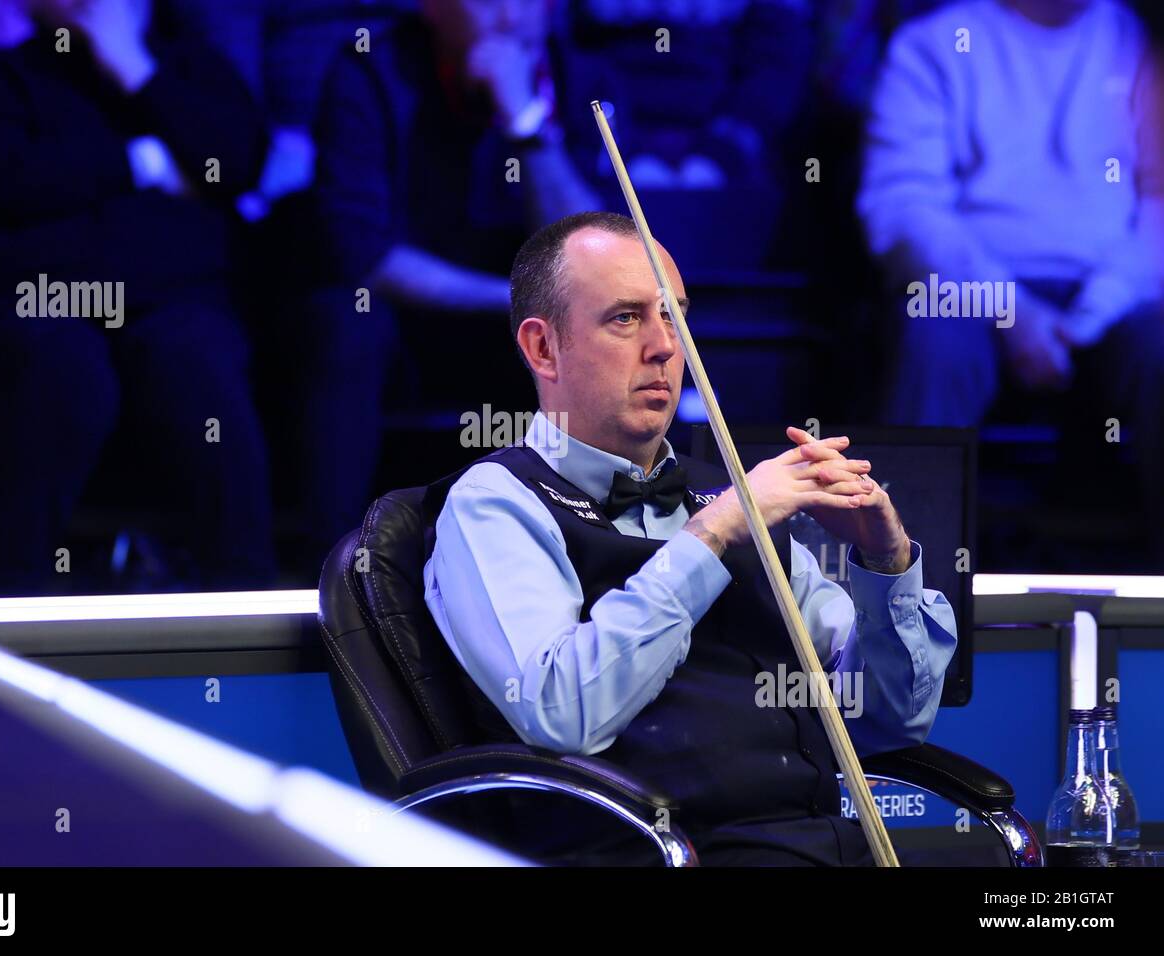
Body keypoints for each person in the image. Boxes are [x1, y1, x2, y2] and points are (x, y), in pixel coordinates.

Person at [422, 211, 959, 866]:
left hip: (820, 850)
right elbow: (563, 713)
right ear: (542, 348)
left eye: (674, 316)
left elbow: (885, 722)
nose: (665, 347)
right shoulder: (494, 504)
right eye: (626, 318)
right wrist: (710, 537)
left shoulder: (728, 496)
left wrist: (886, 562)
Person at [0, 0, 275, 594]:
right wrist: (144, 166)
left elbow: (235, 165)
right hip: (33, 305)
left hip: (169, 306)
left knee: (197, 358)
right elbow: (4, 189)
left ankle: (250, 605)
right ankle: (13, 607)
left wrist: (133, 68)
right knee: (64, 365)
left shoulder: (191, 70)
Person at [859, 0, 1164, 559]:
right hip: (970, 286)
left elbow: (1157, 204)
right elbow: (903, 207)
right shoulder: (934, 43)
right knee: (933, 334)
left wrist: (1093, 313)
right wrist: (1011, 309)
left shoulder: (1140, 41)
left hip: (1117, 290)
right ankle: (905, 600)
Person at [303, 0, 602, 554]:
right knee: (345, 323)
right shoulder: (369, 70)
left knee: (608, 327)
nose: (511, 18)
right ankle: (333, 574)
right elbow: (363, 253)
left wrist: (526, 126)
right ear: (434, 8)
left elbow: (598, 254)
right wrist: (514, 302)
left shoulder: (579, 76)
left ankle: (605, 568)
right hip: (407, 321)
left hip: (526, 329)